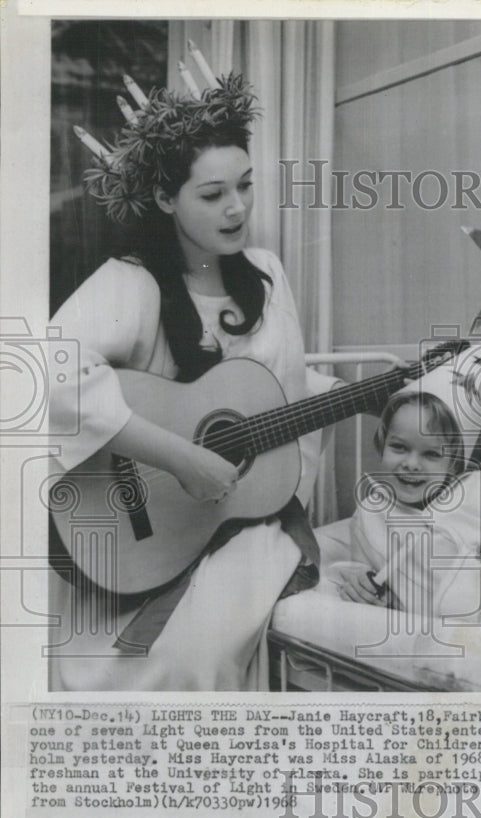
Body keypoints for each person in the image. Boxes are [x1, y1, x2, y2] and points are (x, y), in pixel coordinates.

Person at [49, 72, 330, 691]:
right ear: (166, 199)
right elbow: (46, 371)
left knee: (205, 651)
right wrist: (181, 458)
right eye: (212, 194)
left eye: (246, 186)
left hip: (244, 516)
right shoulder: (133, 281)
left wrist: (355, 398)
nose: (237, 208)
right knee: (162, 666)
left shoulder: (269, 273)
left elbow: (282, 393)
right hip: (148, 525)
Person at [333, 391, 481, 621]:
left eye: (432, 454)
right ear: (382, 444)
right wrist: (363, 589)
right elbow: (362, 575)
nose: (412, 464)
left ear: (453, 463)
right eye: (399, 447)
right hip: (433, 631)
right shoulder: (370, 514)